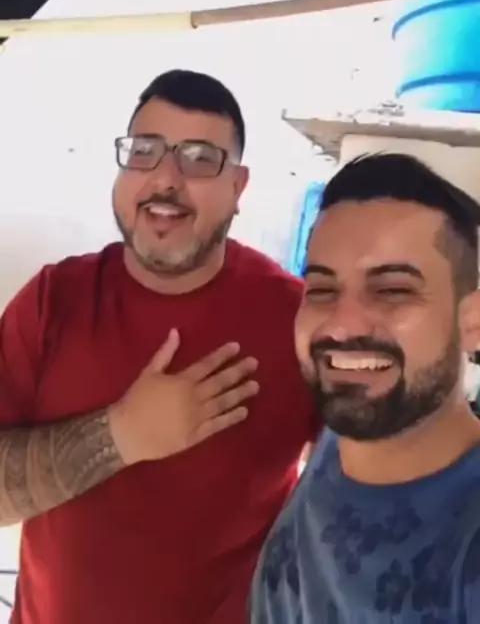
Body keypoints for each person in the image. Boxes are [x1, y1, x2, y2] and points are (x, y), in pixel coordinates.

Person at [0, 69, 316, 624]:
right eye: (144, 151)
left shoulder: (297, 320)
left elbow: (361, 492)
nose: (166, 178)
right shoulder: (53, 300)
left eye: (199, 158)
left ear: (238, 188)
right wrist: (119, 435)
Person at [251, 152, 480, 623]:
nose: (341, 326)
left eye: (393, 290)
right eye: (322, 290)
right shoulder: (345, 436)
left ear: (473, 322)